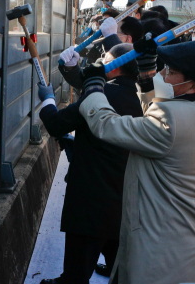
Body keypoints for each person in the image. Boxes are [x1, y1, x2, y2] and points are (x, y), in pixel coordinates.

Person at [75, 39, 195, 284]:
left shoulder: (171, 121)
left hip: (162, 252)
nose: (162, 74)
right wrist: (146, 78)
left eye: (171, 72)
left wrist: (93, 88)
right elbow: (159, 116)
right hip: (186, 245)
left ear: (194, 85)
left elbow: (107, 125)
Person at [37, 44, 144, 284]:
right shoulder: (131, 96)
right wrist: (71, 68)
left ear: (115, 67)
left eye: (105, 59)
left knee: (76, 271)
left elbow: (56, 123)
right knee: (119, 267)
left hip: (89, 200)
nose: (99, 64)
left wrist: (48, 100)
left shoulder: (105, 94)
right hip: (120, 198)